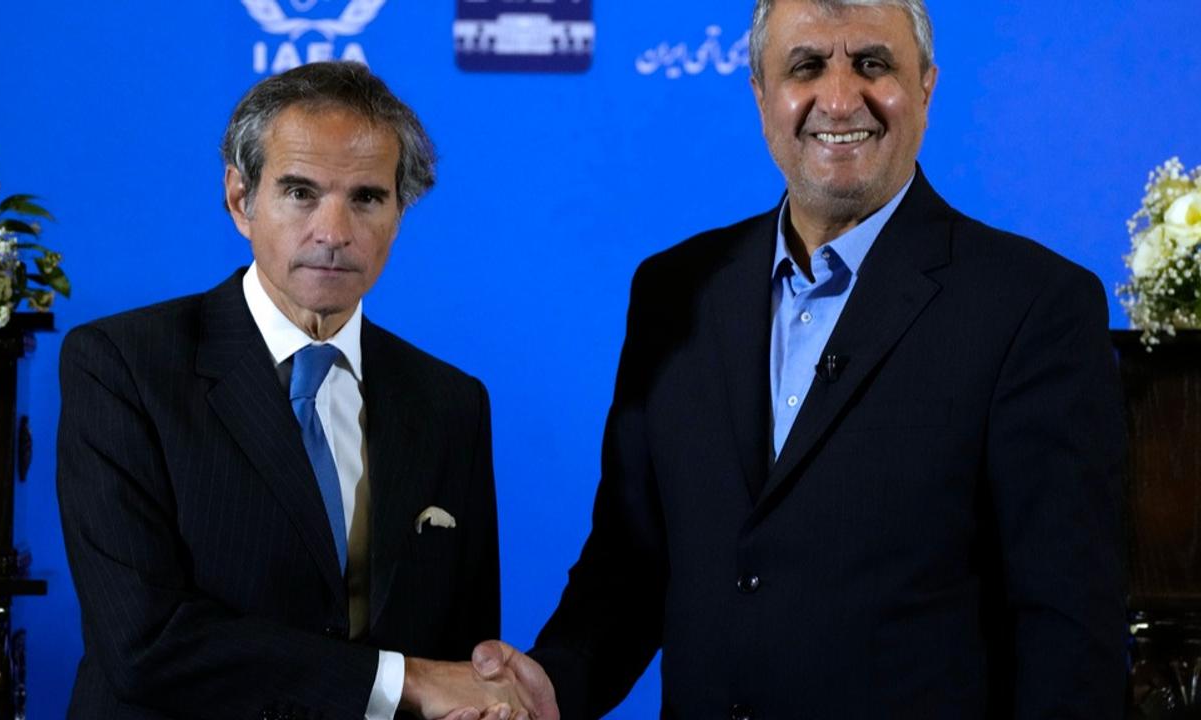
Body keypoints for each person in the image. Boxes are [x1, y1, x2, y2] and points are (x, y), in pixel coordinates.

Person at [470, 0, 1127, 716]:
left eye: (873, 64)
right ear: (761, 94)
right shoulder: (672, 291)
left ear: (928, 88)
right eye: (806, 66)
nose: (840, 98)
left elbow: (1068, 628)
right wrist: (551, 685)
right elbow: (631, 568)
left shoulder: (1033, 304)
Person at [57, 61, 538, 720]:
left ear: (402, 211)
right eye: (300, 192)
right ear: (240, 199)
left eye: (366, 197)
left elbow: (460, 663)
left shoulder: (451, 402)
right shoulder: (123, 367)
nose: (334, 232)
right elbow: (144, 644)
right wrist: (403, 681)